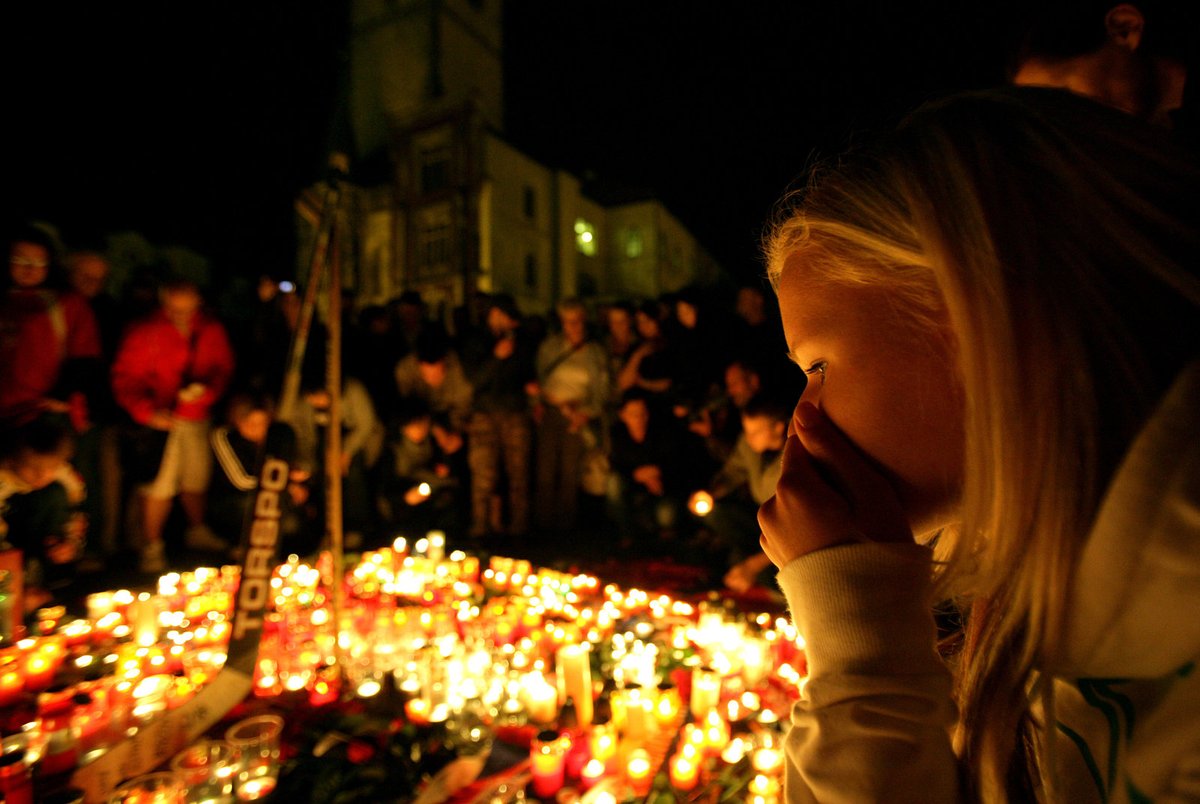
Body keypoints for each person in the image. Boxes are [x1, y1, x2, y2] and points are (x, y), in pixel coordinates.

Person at [759, 87, 1200, 802]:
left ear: (974, 314)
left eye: (816, 366)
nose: (804, 414)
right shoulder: (1032, 598)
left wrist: (861, 653)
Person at [110, 278, 235, 572]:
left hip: (196, 417)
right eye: (176, 310)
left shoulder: (210, 329)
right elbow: (125, 378)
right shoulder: (144, 332)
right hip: (160, 420)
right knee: (158, 484)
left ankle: (197, 530)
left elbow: (223, 368)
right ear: (164, 304)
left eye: (188, 310)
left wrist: (208, 393)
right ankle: (151, 545)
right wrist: (147, 412)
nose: (182, 316)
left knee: (196, 478)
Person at [530, 298, 609, 535]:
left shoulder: (594, 353)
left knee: (569, 470)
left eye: (576, 321)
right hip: (551, 412)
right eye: (567, 322)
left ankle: (565, 526)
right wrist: (536, 403)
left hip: (577, 415)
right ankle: (543, 524)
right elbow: (538, 377)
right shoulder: (550, 347)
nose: (572, 327)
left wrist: (586, 413)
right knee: (545, 469)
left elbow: (601, 390)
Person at [461, 294, 536, 542]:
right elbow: (474, 380)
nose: (513, 324)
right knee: (483, 473)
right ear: (495, 314)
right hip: (485, 415)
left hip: (515, 413)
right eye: (508, 317)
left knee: (519, 472)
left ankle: (519, 526)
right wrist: (496, 359)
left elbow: (526, 373)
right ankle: (480, 525)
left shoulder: (520, 342)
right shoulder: (475, 341)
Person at [0, 416, 86, 612]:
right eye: (33, 469)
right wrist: (15, 585)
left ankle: (51, 586)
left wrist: (69, 543)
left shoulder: (59, 479)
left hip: (37, 545)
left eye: (51, 469)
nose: (42, 476)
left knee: (54, 495)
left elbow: (76, 511)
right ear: (13, 460)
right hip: (7, 552)